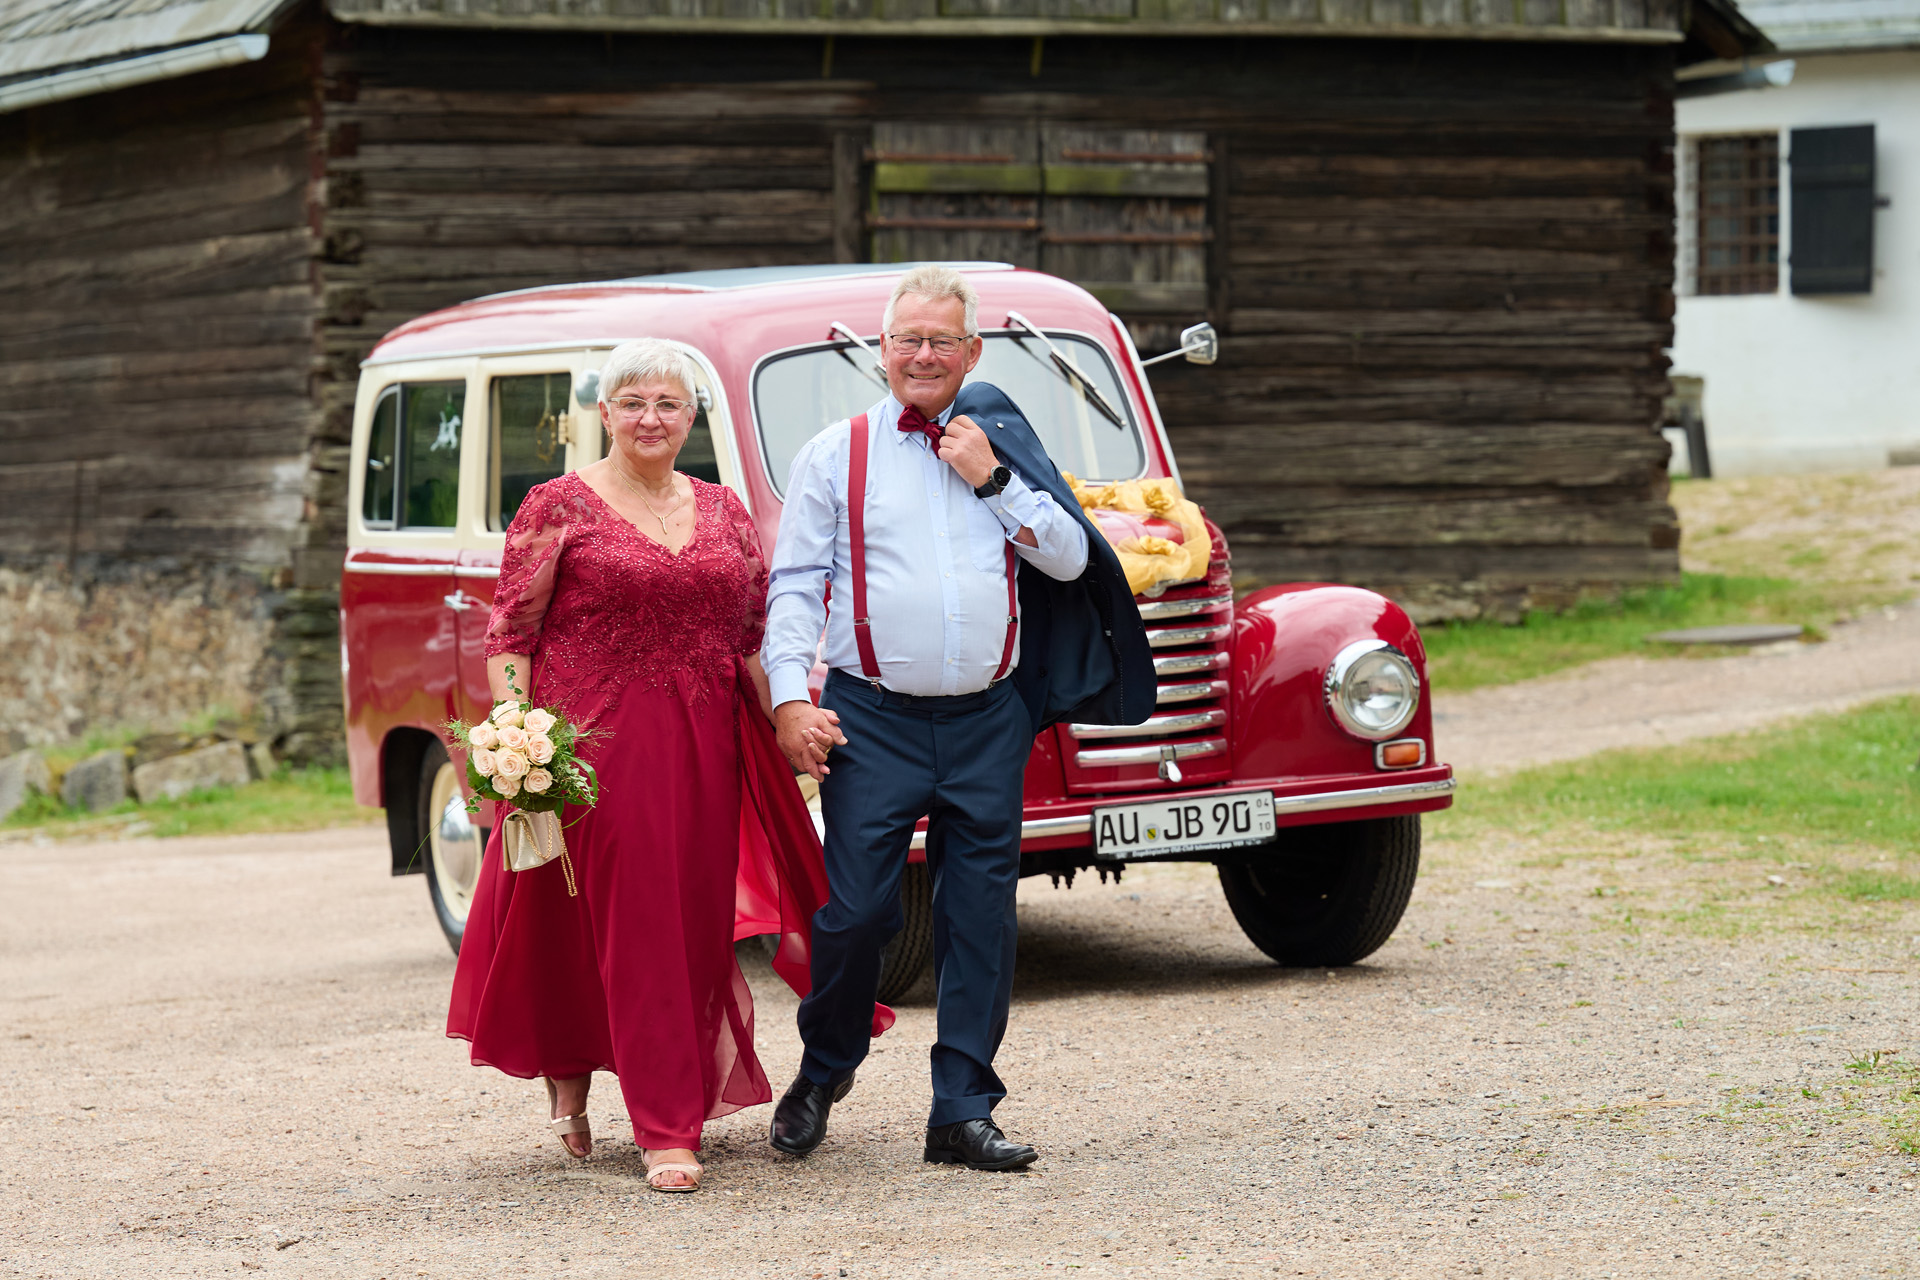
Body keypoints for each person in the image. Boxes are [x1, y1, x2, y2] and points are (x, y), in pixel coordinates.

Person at [446, 338, 885, 1194]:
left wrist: (785, 722)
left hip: (707, 745)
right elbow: (512, 632)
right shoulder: (556, 504)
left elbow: (754, 639)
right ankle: (665, 1125)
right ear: (604, 414)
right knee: (629, 920)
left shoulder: (723, 511)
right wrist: (517, 739)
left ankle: (591, 1083)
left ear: (692, 417)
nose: (652, 419)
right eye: (634, 403)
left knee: (688, 924)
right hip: (595, 749)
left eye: (670, 404)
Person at [761, 265, 1155, 1171]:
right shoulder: (836, 452)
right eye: (908, 340)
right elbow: (793, 589)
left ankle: (961, 1109)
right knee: (854, 914)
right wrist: (790, 698)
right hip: (872, 718)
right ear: (884, 351)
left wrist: (993, 482)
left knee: (979, 916)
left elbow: (1068, 559)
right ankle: (825, 1067)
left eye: (943, 341)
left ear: (972, 352)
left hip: (987, 720)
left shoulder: (1002, 447)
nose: (924, 355)